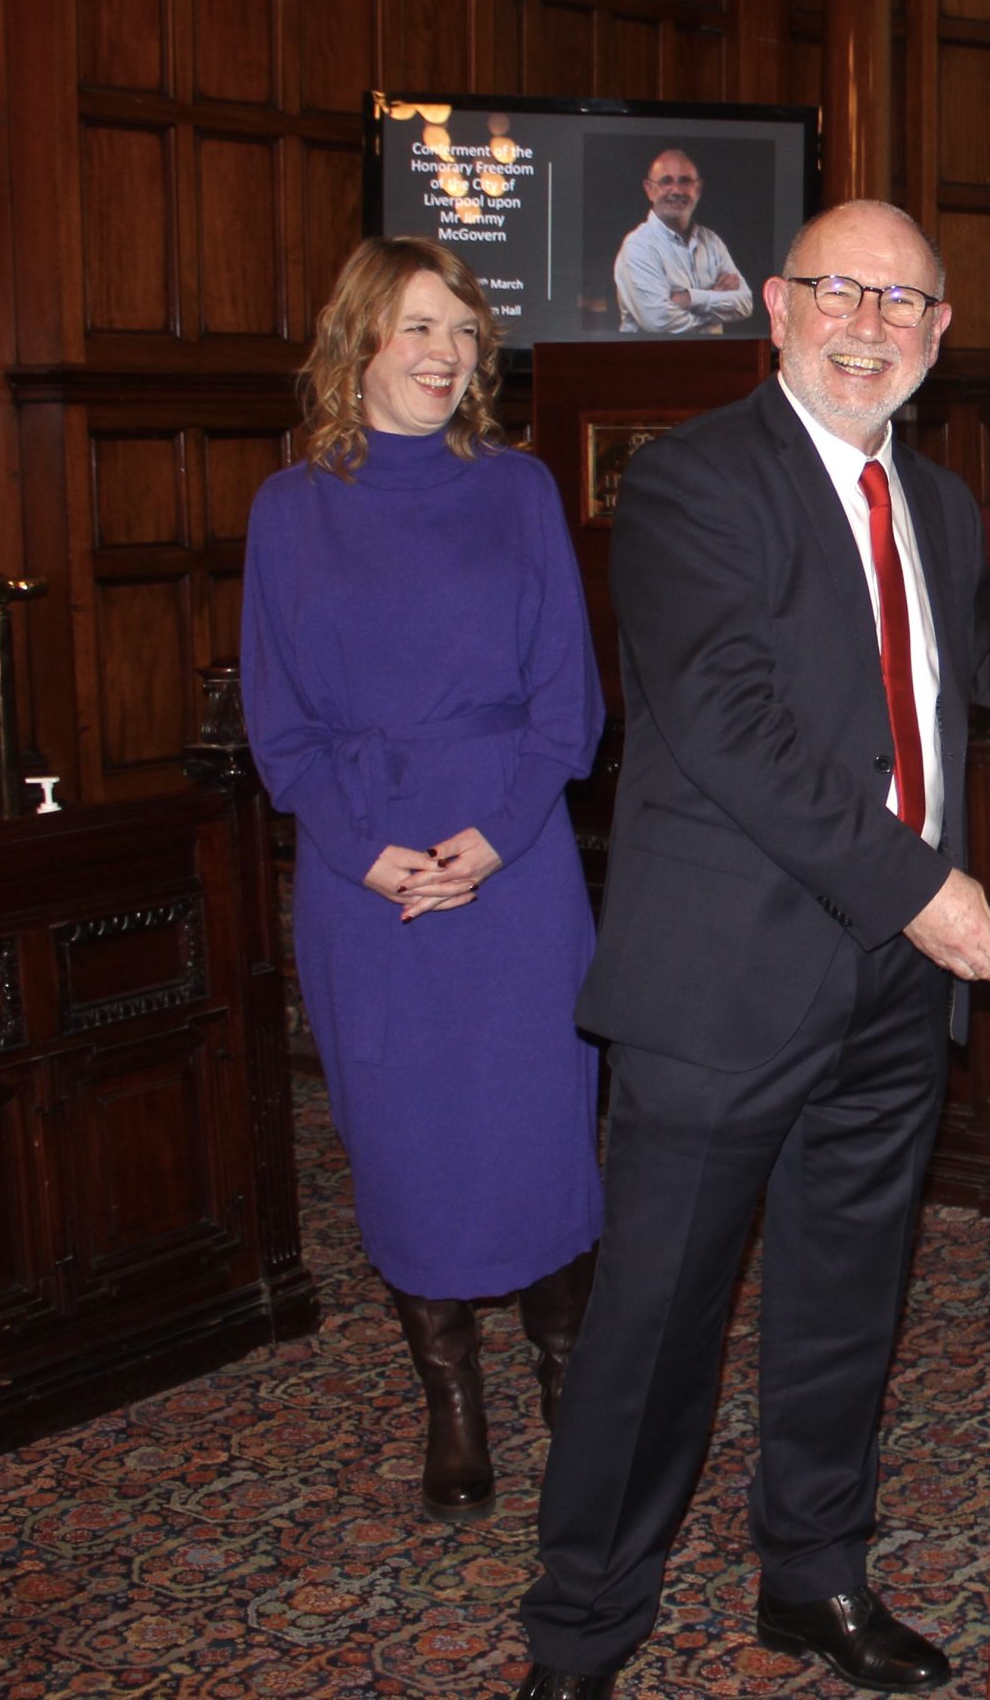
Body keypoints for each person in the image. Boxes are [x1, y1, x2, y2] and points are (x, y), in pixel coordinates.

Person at [516, 201, 990, 1699]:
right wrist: (922, 891)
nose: (870, 323)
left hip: (892, 993)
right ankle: (580, 1635)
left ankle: (813, 1577)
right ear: (776, 304)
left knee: (844, 1303)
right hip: (725, 984)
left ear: (941, 337)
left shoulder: (945, 510)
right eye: (839, 290)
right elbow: (735, 730)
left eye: (906, 302)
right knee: (652, 1327)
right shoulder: (694, 482)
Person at [241, 236, 606, 1523]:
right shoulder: (288, 509)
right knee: (402, 1142)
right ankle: (450, 1397)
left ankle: (569, 1376)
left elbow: (571, 707)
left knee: (541, 1129)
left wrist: (497, 837)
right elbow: (279, 731)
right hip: (367, 879)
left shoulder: (517, 489)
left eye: (461, 328)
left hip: (514, 867)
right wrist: (360, 847)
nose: (446, 353)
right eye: (416, 328)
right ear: (357, 346)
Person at [612, 148, 755, 335]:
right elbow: (659, 323)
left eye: (685, 181)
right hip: (650, 363)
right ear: (649, 190)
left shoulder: (712, 242)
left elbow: (745, 303)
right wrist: (715, 297)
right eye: (666, 181)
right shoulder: (637, 246)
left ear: (698, 189)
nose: (677, 190)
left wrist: (690, 298)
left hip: (711, 362)